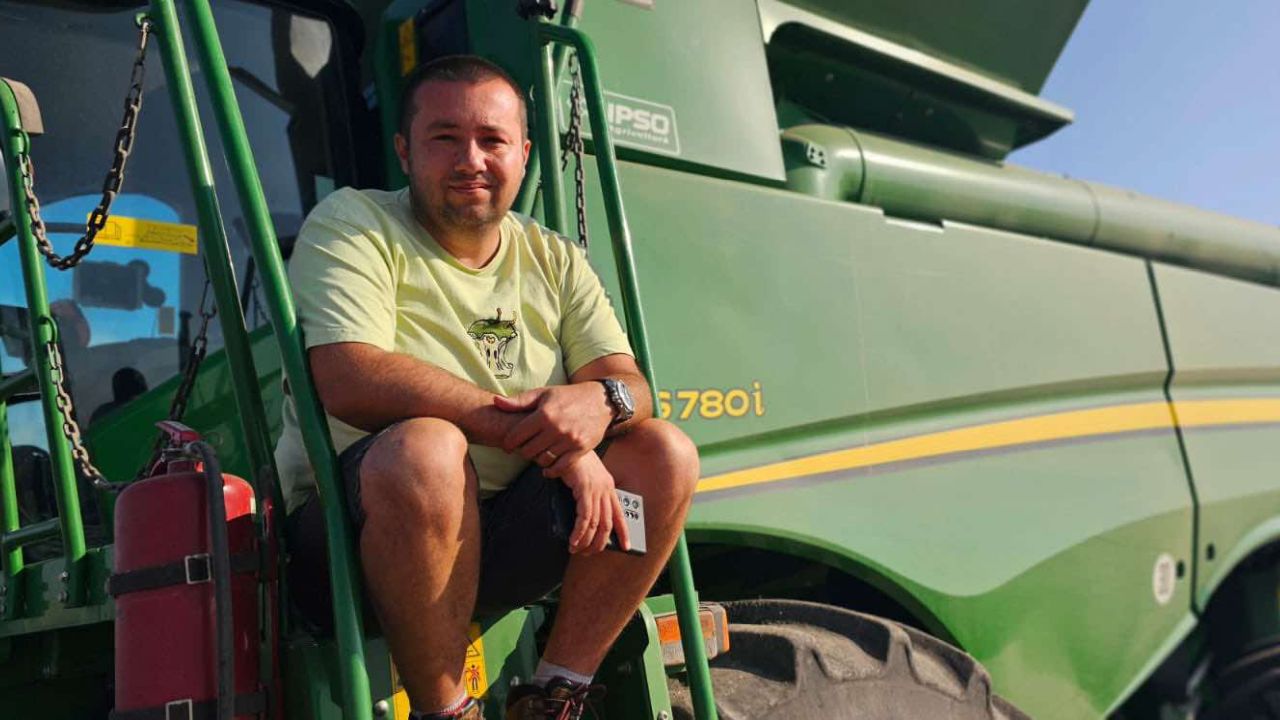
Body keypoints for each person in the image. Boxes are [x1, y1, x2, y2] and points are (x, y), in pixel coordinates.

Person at [273, 55, 699, 720]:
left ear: (523, 156)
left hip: (511, 530)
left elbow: (631, 387)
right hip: (349, 545)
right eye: (445, 138)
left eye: (492, 140)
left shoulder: (553, 256)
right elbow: (349, 377)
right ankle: (449, 712)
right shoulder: (354, 224)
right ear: (405, 151)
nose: (471, 159)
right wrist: (560, 447)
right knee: (425, 449)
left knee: (663, 453)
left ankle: (556, 693)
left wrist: (600, 402)